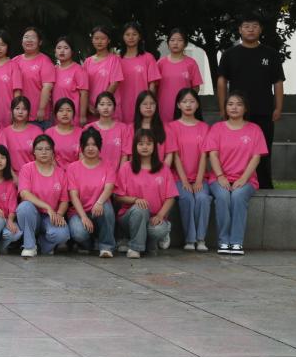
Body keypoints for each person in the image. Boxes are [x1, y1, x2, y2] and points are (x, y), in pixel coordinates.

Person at [216, 15, 284, 190]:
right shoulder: (229, 54)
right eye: (246, 26)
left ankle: (265, 185)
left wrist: (278, 107)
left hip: (263, 110)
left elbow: (278, 82)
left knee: (264, 150)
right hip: (236, 112)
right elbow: (222, 81)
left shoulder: (271, 54)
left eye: (254, 26)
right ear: (240, 30)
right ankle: (236, 181)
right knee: (237, 150)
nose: (251, 29)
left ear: (260, 29)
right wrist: (222, 107)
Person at [205, 91, 269, 255]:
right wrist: (220, 176)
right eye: (230, 104)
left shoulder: (254, 129)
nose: (234, 108)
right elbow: (213, 154)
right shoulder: (217, 128)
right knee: (223, 196)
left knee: (238, 196)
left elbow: (256, 157)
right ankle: (224, 241)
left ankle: (236, 242)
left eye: (239, 104)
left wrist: (243, 178)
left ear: (245, 109)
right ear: (225, 108)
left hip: (246, 179)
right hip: (219, 178)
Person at [114, 129, 177, 258]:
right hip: (130, 217)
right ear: (135, 146)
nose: (145, 147)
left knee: (158, 230)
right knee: (141, 208)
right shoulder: (126, 167)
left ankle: (148, 243)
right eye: (141, 143)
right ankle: (136, 248)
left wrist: (160, 215)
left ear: (154, 146)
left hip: (154, 218)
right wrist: (135, 200)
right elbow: (117, 196)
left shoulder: (163, 168)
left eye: (149, 143)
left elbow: (171, 197)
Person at [170, 88, 212, 252]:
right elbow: (175, 156)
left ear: (197, 105)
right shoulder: (172, 127)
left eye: (192, 101)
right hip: (178, 177)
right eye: (184, 101)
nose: (188, 105)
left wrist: (199, 180)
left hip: (201, 177)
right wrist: (185, 181)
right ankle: (190, 239)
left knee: (202, 198)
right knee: (187, 198)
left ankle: (201, 239)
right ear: (178, 105)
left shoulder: (204, 127)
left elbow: (204, 155)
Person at [15, 135, 70, 258]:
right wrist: (47, 206)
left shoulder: (60, 173)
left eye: (47, 149)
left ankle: (42, 244)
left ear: (53, 152)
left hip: (50, 217)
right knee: (24, 207)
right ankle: (29, 246)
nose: (44, 152)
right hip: (32, 214)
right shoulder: (27, 169)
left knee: (63, 235)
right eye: (39, 149)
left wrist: (59, 214)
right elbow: (24, 194)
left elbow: (64, 200)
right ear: (34, 152)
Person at [66, 128, 117, 258]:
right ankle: (88, 244)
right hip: (79, 212)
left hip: (98, 209)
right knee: (79, 233)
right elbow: (73, 196)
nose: (90, 148)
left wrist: (99, 202)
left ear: (99, 146)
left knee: (106, 207)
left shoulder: (108, 165)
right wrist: (83, 217)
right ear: (82, 147)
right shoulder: (72, 168)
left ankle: (106, 247)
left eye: (94, 144)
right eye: (87, 145)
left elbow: (109, 187)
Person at [156, 28, 202, 124]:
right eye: (172, 40)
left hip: (185, 110)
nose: (175, 43)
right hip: (164, 109)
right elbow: (155, 87)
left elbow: (196, 88)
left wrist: (188, 103)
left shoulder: (191, 63)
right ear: (168, 43)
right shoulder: (160, 63)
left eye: (180, 40)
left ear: (185, 44)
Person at [118, 22, 161, 124]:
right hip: (121, 106)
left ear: (140, 37)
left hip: (142, 105)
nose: (131, 37)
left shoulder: (148, 58)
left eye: (134, 34)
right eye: (127, 34)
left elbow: (152, 84)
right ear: (123, 37)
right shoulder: (117, 59)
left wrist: (149, 104)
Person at [12, 27, 56, 126]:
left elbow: (47, 87)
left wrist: (41, 109)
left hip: (38, 116)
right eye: (26, 37)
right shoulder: (14, 61)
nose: (29, 40)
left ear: (40, 42)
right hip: (18, 114)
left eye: (33, 37)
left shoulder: (45, 61)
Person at [82, 26, 123, 122]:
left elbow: (114, 83)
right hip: (91, 110)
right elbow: (83, 87)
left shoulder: (114, 60)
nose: (99, 41)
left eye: (103, 38)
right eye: (96, 38)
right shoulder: (87, 62)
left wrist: (102, 104)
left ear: (109, 40)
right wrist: (87, 105)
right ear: (92, 40)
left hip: (109, 108)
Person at [0, 96, 43, 174]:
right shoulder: (4, 133)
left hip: (33, 174)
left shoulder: (37, 131)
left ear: (28, 112)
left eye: (24, 109)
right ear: (12, 111)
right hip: (11, 176)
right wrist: (13, 176)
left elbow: (42, 157)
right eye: (17, 108)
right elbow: (0, 157)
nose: (20, 112)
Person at [84, 92, 129, 168]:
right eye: (102, 104)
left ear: (114, 108)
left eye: (109, 104)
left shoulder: (123, 128)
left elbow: (125, 155)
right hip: (93, 172)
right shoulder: (88, 128)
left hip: (116, 174)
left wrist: (121, 173)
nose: (105, 107)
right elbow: (83, 153)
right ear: (97, 108)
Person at [0, 30, 21, 129]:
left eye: (3, 45)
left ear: (8, 46)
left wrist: (14, 113)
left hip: (8, 114)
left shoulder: (14, 66)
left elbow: (17, 93)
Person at [53, 36, 88, 128]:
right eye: (59, 48)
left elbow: (84, 94)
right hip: (56, 116)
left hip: (72, 116)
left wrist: (83, 116)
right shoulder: (53, 70)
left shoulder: (79, 70)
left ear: (72, 52)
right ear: (55, 51)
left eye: (66, 48)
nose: (62, 51)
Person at [44, 98, 82, 168]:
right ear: (55, 114)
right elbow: (47, 156)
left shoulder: (81, 132)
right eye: (61, 111)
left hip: (75, 171)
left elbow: (82, 158)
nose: (65, 114)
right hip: (53, 171)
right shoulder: (49, 133)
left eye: (69, 110)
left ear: (74, 113)